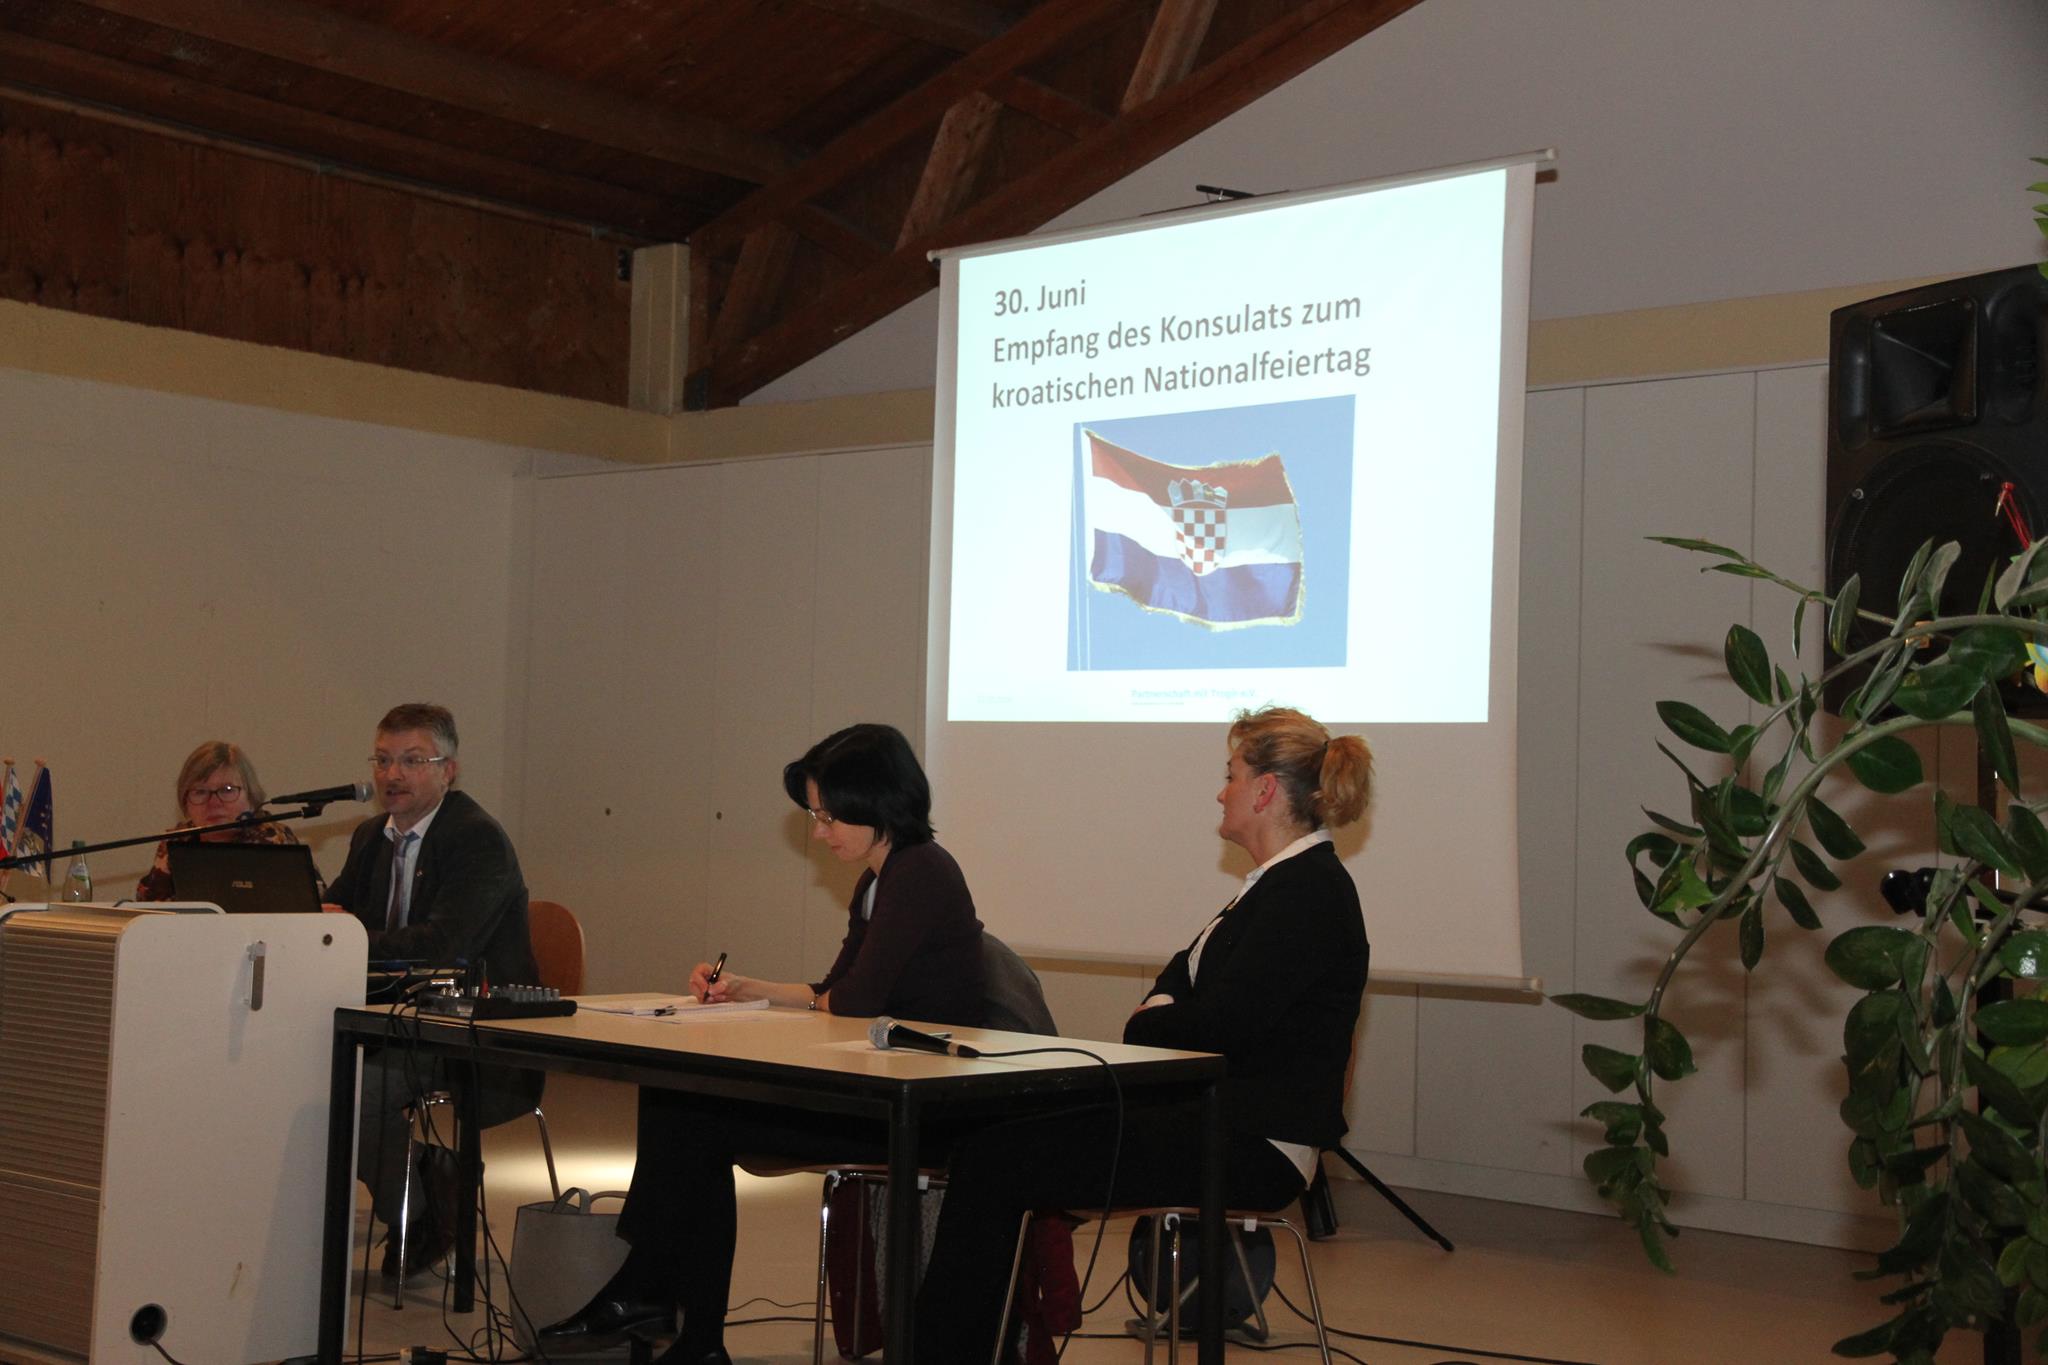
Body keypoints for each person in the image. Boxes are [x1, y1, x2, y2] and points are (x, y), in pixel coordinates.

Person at [911, 705, 1374, 1362]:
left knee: (996, 1158)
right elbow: (1182, 978)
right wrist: (1170, 1010)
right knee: (996, 1140)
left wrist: (1156, 1015)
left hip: (1252, 1143)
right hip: (1216, 1120)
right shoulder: (1275, 886)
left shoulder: (1309, 891)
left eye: (1232, 775)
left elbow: (1215, 1025)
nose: (1221, 791)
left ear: (1265, 790)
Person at [540, 722, 985, 1365]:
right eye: (815, 815)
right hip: (880, 1086)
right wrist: (746, 989)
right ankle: (672, 1311)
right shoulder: (877, 880)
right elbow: (833, 989)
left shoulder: (921, 873)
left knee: (694, 1114)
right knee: (679, 1099)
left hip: (921, 1107)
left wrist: (817, 999)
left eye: (828, 816)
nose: (820, 832)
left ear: (878, 804)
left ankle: (663, 1302)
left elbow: (854, 999)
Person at [324, 703, 541, 1279]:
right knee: (298, 1076)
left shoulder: (477, 839)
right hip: (388, 1020)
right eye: (383, 760)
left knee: (347, 1090)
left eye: (412, 761)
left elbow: (442, 946)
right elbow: (337, 914)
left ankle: (423, 1211)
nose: (392, 775)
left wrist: (346, 933)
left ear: (449, 770)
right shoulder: (370, 836)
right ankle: (428, 1175)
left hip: (470, 1031)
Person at [133, 741, 298, 901]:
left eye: (227, 790)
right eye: (200, 792)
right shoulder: (178, 841)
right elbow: (151, 907)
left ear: (251, 796)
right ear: (185, 801)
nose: (213, 803)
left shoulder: (273, 839)